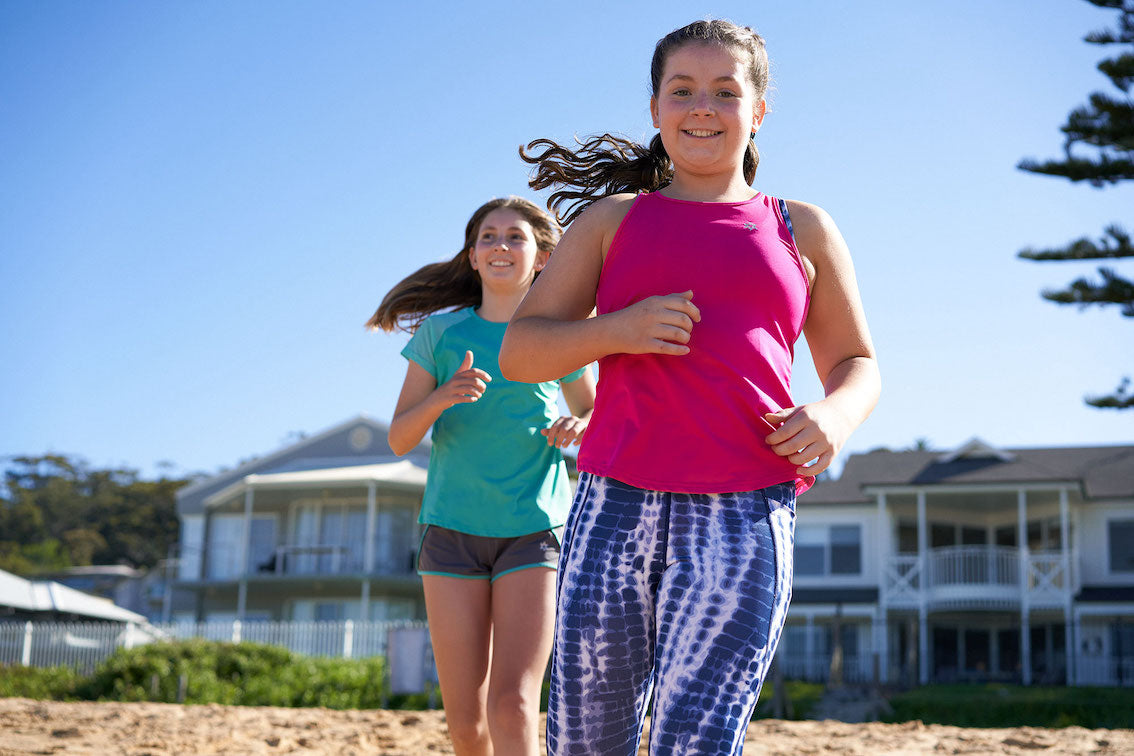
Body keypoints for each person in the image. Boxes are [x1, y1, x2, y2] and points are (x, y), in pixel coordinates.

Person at [499, 19, 880, 756]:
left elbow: (858, 361)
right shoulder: (612, 222)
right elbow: (522, 351)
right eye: (683, 90)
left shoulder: (803, 229)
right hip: (614, 505)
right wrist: (621, 329)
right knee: (585, 742)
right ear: (655, 109)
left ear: (758, 110)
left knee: (698, 741)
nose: (702, 107)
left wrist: (835, 416)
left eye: (725, 92)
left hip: (744, 514)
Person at [367, 196, 596, 756]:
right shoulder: (441, 337)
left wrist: (576, 425)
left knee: (512, 704)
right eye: (488, 237)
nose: (500, 246)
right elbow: (399, 437)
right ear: (472, 256)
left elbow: (597, 419)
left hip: (532, 531)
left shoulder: (556, 335)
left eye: (515, 237)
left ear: (541, 256)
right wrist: (441, 397)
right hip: (451, 533)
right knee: (467, 727)